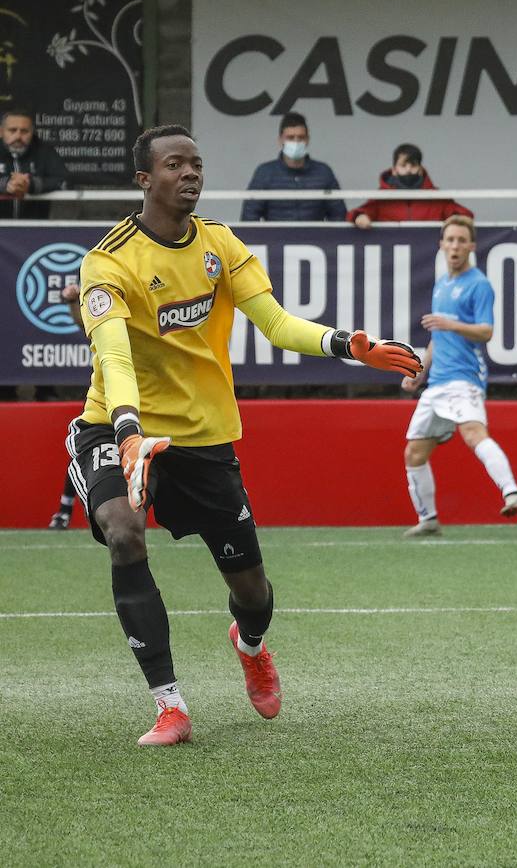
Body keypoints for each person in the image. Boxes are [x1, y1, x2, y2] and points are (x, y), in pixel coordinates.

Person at [68, 124, 420, 746]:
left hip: (202, 438)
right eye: (175, 165)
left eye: (196, 164)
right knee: (124, 532)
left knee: (252, 592)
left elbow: (278, 325)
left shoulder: (223, 245)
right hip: (117, 427)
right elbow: (115, 357)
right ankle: (170, 706)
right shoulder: (109, 260)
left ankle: (250, 644)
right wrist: (126, 431)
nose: (190, 174)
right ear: (145, 180)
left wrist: (348, 345)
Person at [401, 215, 517, 532]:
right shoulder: (442, 282)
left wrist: (451, 324)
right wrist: (419, 371)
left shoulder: (479, 284)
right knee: (414, 452)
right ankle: (428, 518)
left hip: (463, 379)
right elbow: (436, 338)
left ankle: (512, 494)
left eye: (461, 240)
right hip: (437, 383)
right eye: (450, 240)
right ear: (442, 245)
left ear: (471, 246)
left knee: (474, 435)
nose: (455, 246)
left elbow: (486, 332)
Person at [241, 112, 346, 222]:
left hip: (315, 238)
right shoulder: (264, 173)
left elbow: (338, 215)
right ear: (280, 140)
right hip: (274, 239)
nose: (296, 142)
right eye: (290, 137)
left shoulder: (323, 172)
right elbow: (249, 216)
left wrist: (329, 238)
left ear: (307, 139)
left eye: (301, 137)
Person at [348, 143, 473, 228]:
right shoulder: (380, 199)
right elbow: (358, 213)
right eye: (403, 166)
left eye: (413, 165)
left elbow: (464, 215)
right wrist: (359, 217)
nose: (408, 170)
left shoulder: (437, 198)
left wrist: (456, 219)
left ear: (420, 169)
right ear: (394, 170)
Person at [49, 284, 85, 529]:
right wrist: (73, 303)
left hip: (153, 397)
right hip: (111, 397)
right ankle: (64, 510)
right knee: (83, 449)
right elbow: (84, 323)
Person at [1, 105, 69, 219]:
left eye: (24, 131)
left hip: (35, 230)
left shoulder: (44, 152)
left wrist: (31, 185)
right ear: (1, 132)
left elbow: (65, 181)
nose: (18, 136)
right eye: (12, 130)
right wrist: (6, 185)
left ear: (32, 132)